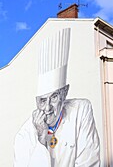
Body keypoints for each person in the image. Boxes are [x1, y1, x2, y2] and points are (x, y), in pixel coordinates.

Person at [14, 28, 100, 167]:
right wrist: (41, 139)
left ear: (65, 92)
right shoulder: (23, 136)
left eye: (54, 97)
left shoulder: (81, 110)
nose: (47, 108)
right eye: (42, 100)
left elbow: (89, 162)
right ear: (36, 101)